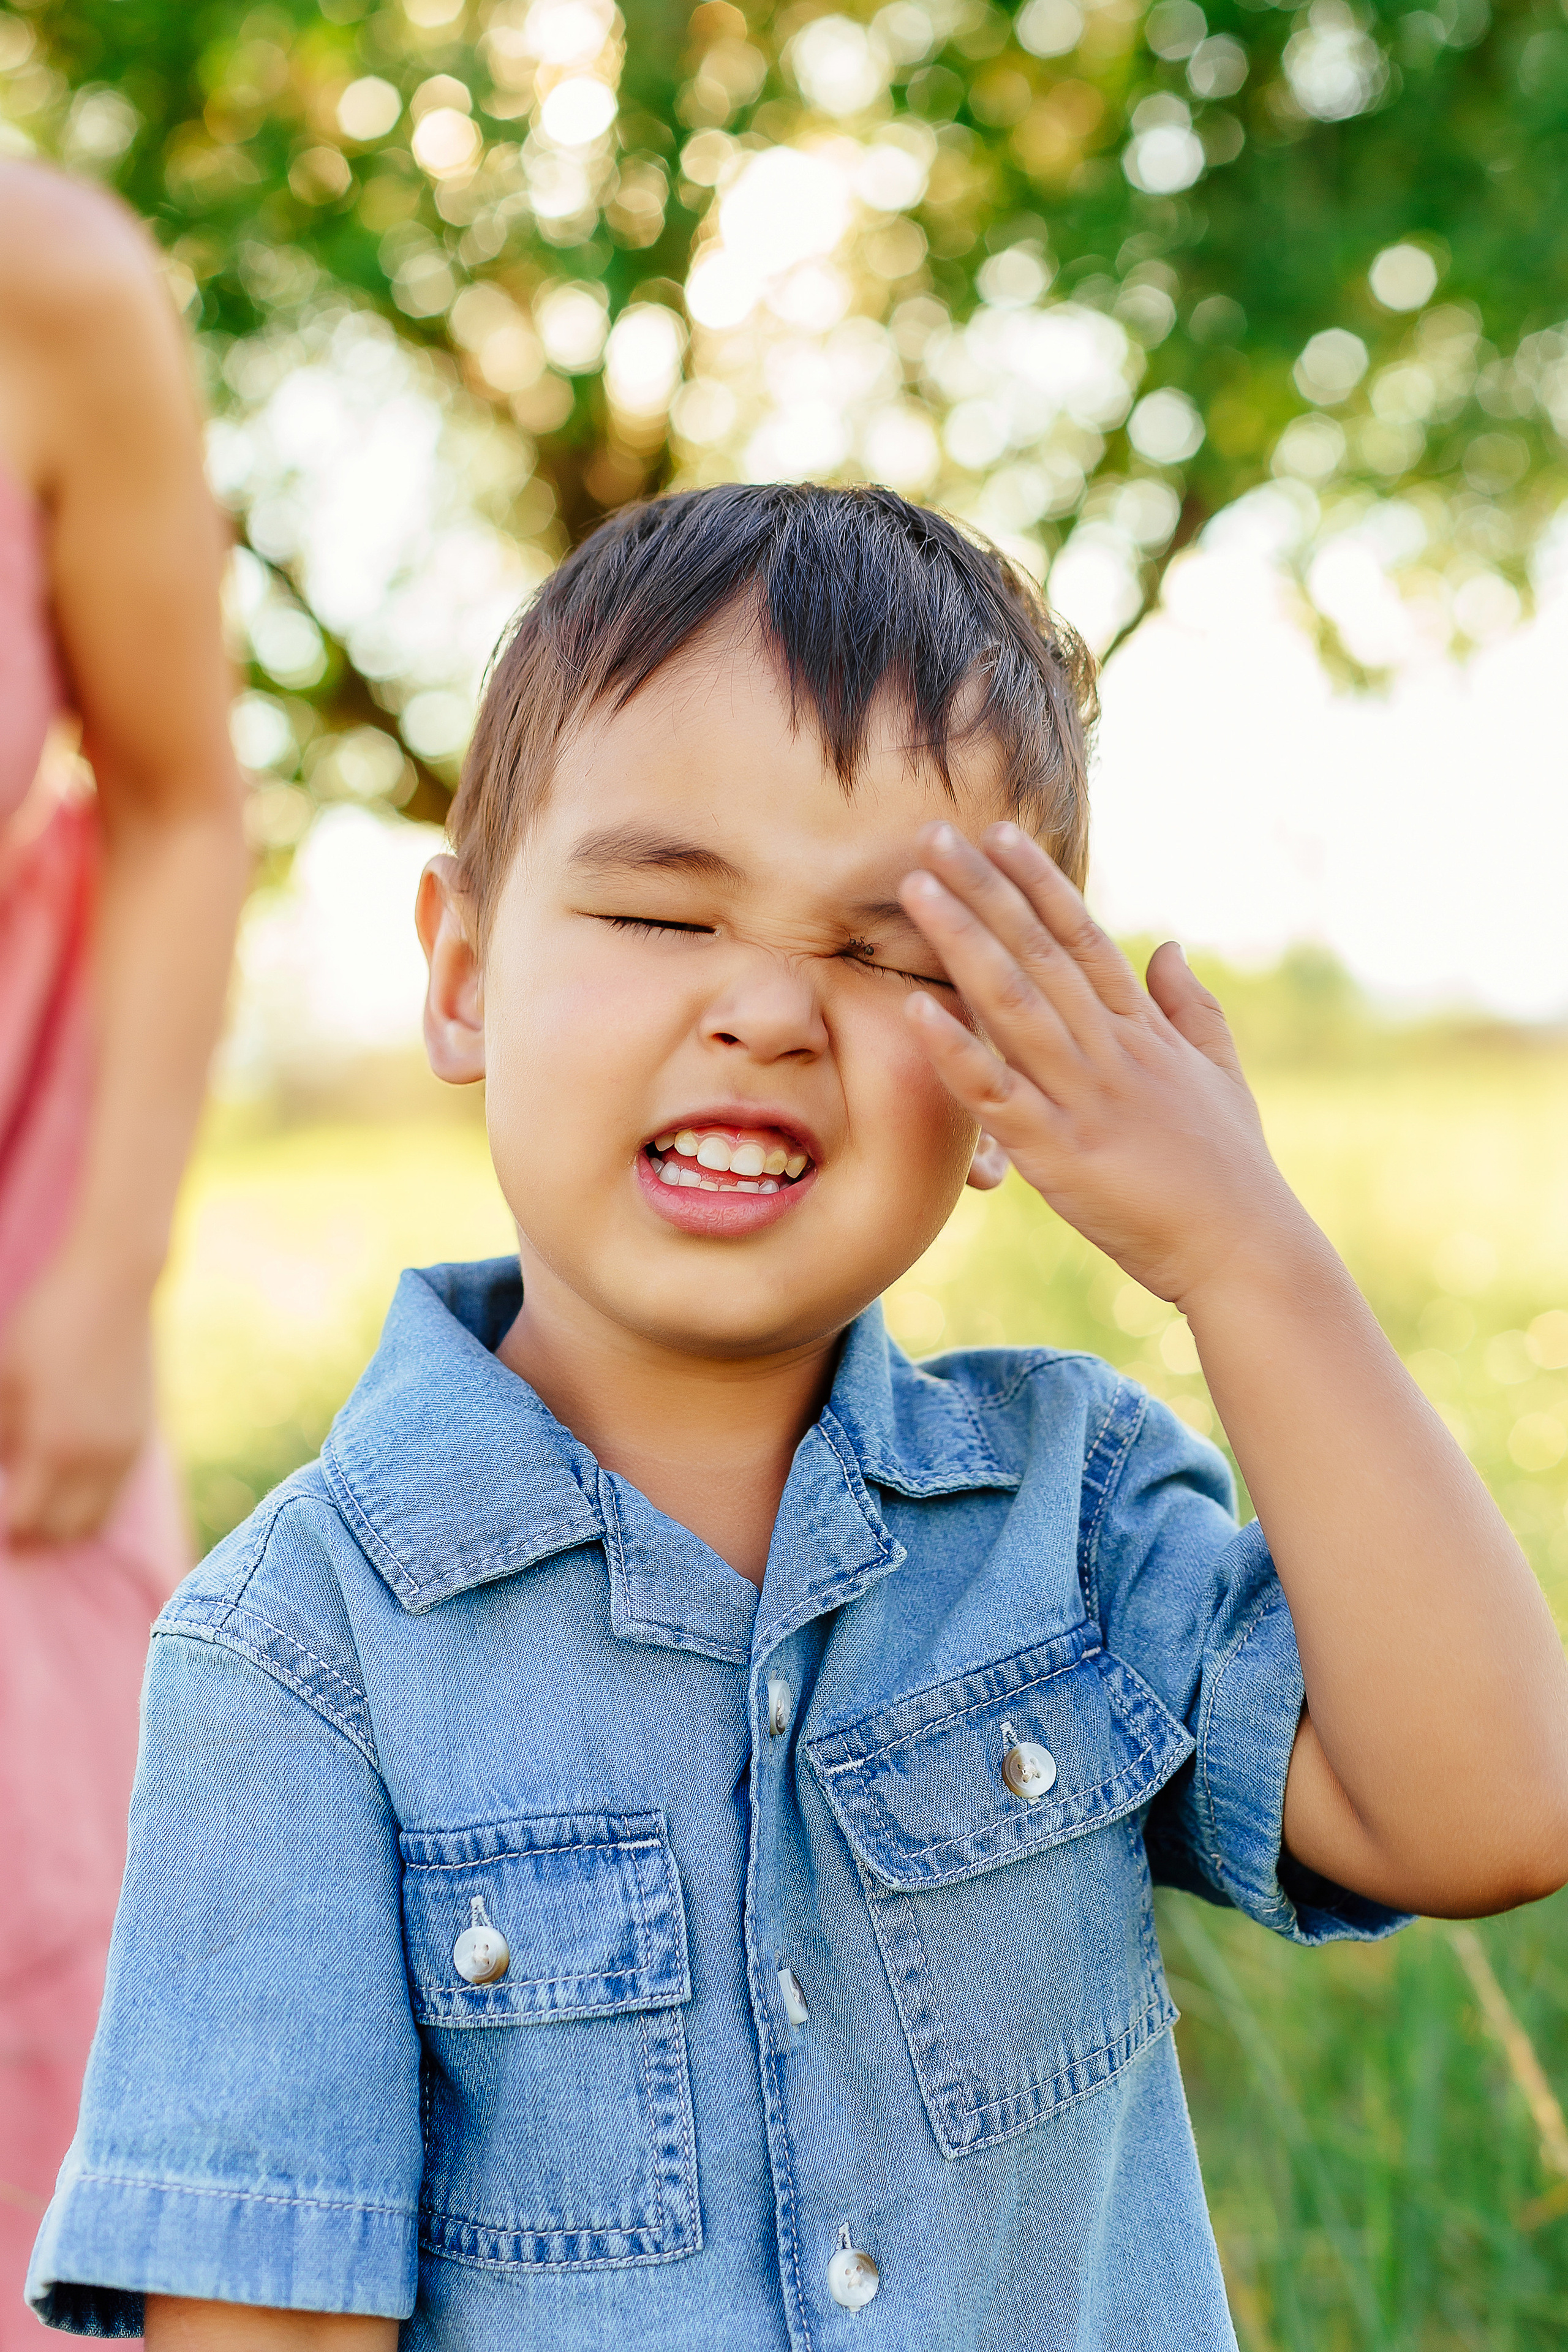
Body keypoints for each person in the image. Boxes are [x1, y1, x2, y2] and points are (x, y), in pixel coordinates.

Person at [27, 486, 1568, 2350]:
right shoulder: (299, 1654)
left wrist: (1246, 1258)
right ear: (460, 974)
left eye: (895, 952)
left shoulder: (1068, 1523)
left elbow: (1491, 1806)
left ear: (1010, 1070)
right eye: (663, 909)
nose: (765, 1007)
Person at [0, 163, 246, 2341]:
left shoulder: (47, 279)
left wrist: (103, 1279)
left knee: (54, 1966)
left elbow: (179, 798)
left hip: (14, 1314)